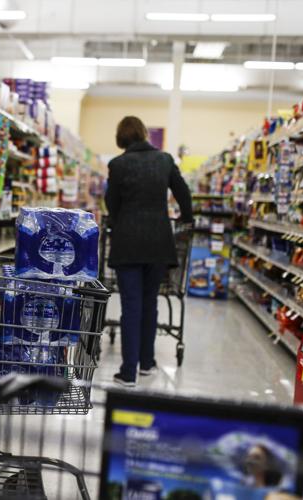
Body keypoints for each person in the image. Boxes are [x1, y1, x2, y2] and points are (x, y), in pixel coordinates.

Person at [104, 116, 193, 387]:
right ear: (143, 134)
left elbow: (112, 204)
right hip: (158, 243)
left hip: (128, 243)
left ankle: (128, 372)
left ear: (122, 138)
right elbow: (184, 193)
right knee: (150, 303)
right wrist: (186, 219)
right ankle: (147, 363)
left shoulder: (118, 165)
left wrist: (120, 222)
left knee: (131, 306)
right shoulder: (165, 160)